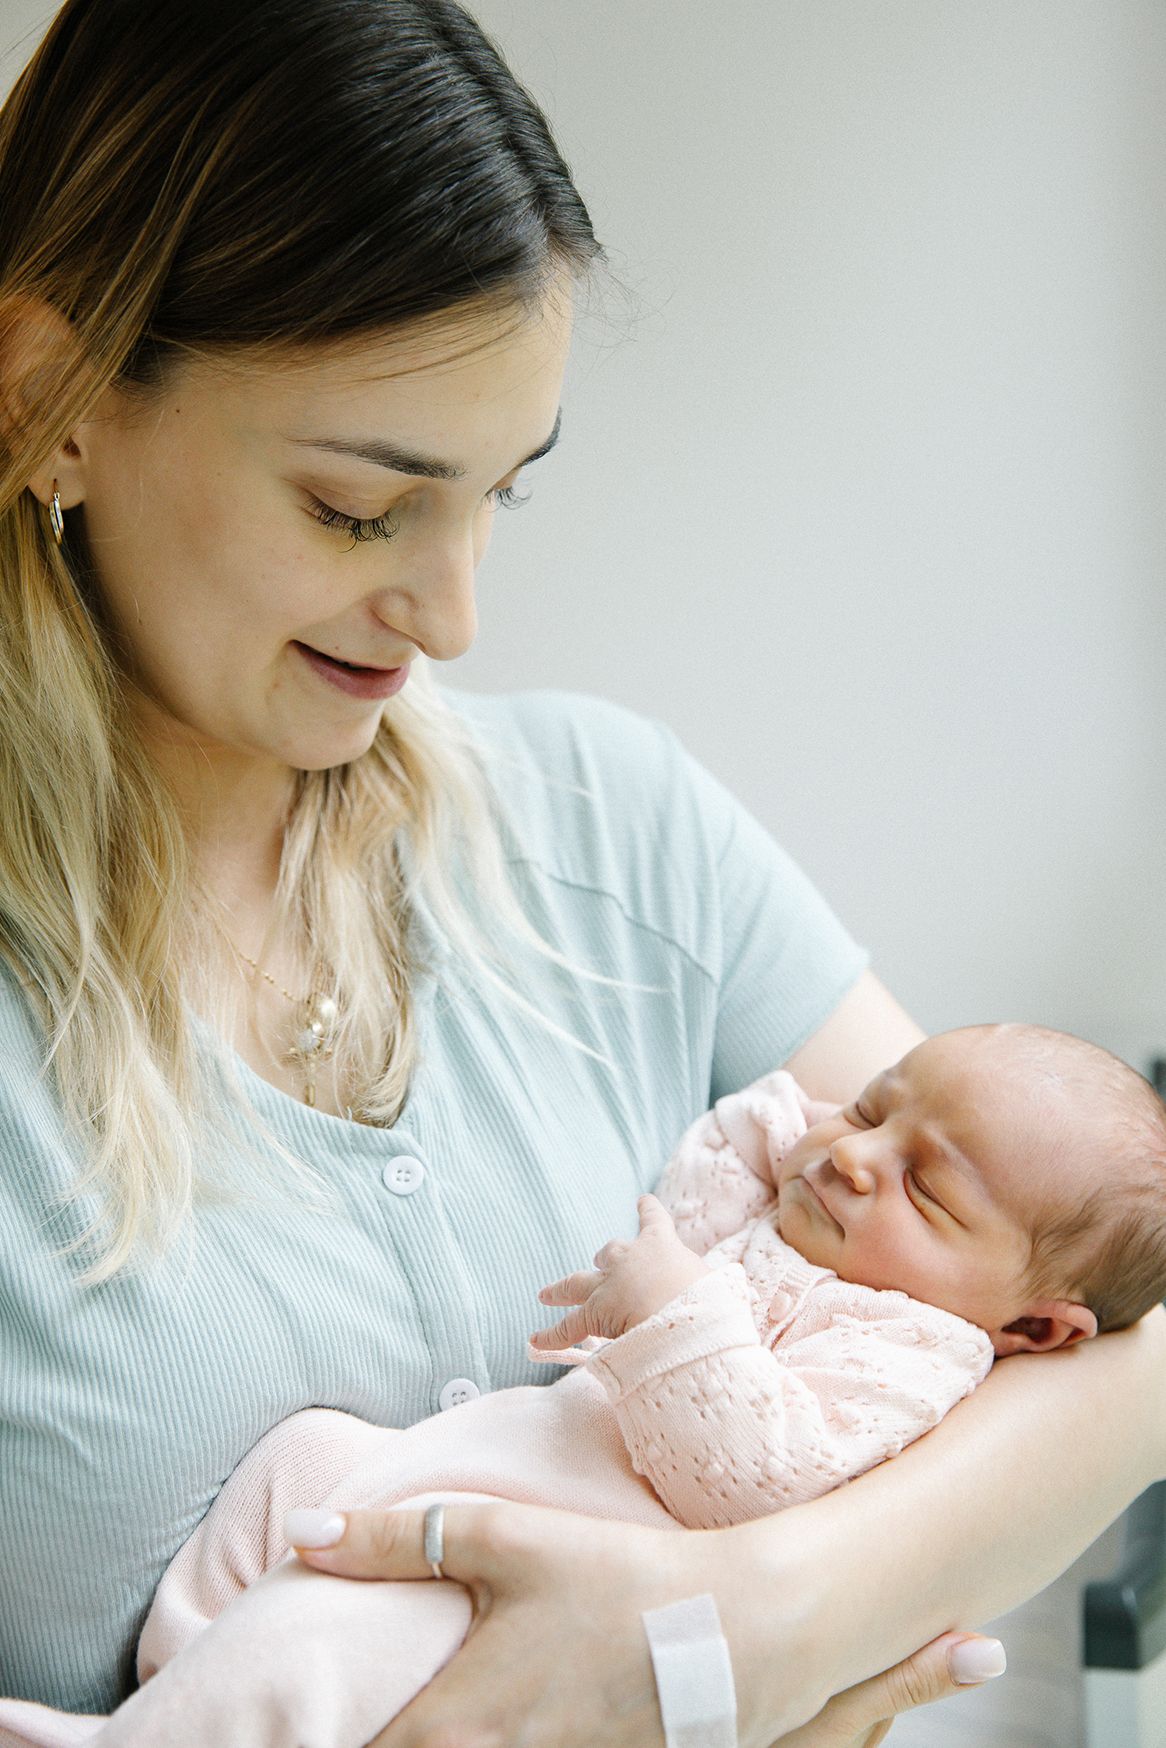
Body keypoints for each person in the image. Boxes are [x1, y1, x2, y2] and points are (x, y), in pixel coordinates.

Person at [0, 4, 1163, 1746]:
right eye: (359, 507)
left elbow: (1115, 1351)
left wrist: (724, 1638)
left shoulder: (614, 829)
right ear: (50, 397)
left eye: (500, 499)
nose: (455, 616)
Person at [2, 1022, 1163, 1745]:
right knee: (304, 1459)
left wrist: (672, 1309)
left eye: (927, 1188)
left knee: (327, 1639)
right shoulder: (814, 1217)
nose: (855, 1155)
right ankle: (188, 1674)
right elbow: (696, 1198)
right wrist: (776, 1133)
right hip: (487, 1461)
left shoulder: (919, 1351)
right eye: (872, 1104)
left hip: (568, 1557)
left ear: (1033, 1323)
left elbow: (755, 1478)